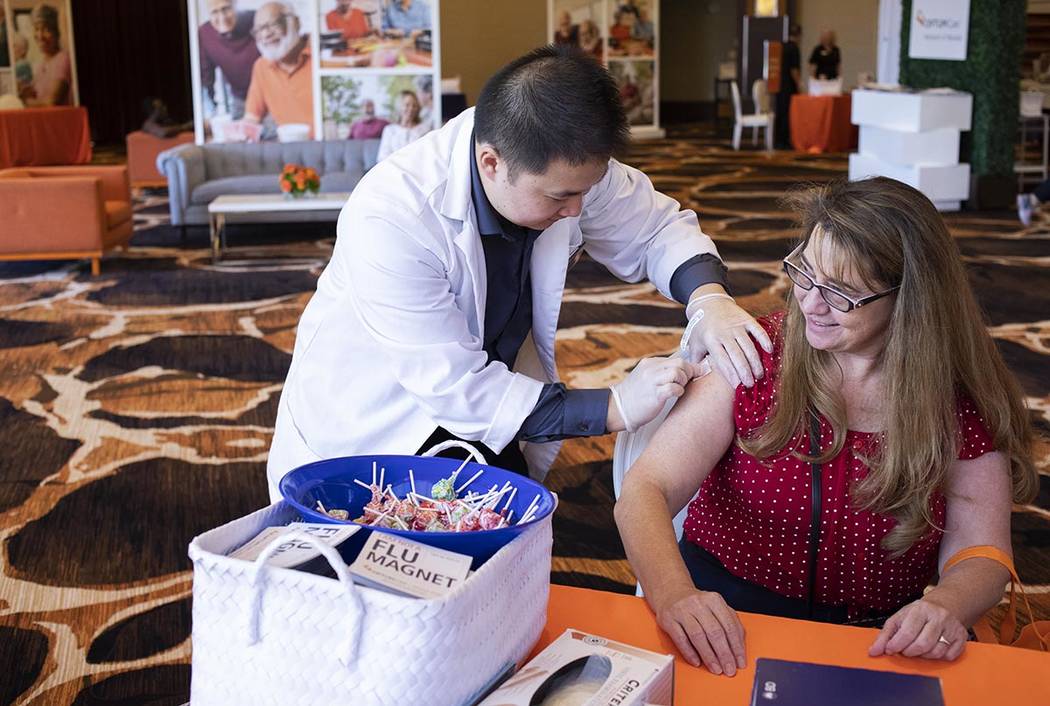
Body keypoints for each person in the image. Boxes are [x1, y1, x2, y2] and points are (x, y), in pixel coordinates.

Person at [266, 45, 771, 500]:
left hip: (491, 391)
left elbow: (656, 228)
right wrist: (614, 405)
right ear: (490, 163)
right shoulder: (393, 214)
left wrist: (710, 301)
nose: (576, 210)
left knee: (502, 536)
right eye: (559, 197)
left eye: (584, 192)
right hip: (377, 417)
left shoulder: (561, 163)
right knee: (403, 558)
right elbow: (456, 389)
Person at [615, 176, 1038, 676]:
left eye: (840, 293)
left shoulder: (957, 398)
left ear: (909, 300)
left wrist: (947, 604)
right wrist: (675, 596)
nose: (809, 304)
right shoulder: (757, 355)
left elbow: (981, 550)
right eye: (805, 273)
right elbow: (646, 489)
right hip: (724, 613)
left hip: (877, 637)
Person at [243, 2, 314, 137]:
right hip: (290, 152)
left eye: (274, 24)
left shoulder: (321, 56)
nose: (266, 34)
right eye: (259, 30)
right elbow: (251, 119)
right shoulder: (261, 67)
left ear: (296, 23)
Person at [198, 0, 260, 120]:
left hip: (268, 96)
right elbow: (206, 77)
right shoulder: (204, 33)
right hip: (240, 100)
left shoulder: (255, 19)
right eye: (214, 12)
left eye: (226, 9)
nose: (222, 18)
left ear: (236, 6)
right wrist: (209, 113)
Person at [19, 3, 71, 107]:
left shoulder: (63, 59)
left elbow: (52, 102)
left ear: (57, 33)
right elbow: (35, 94)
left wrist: (23, 102)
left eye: (46, 30)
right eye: (37, 29)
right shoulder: (42, 63)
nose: (40, 36)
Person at [376, 89, 430, 161]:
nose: (411, 109)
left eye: (414, 105)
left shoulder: (424, 129)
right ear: (399, 106)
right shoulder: (390, 130)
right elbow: (382, 157)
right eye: (407, 105)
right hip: (393, 169)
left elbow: (427, 155)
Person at [775, 24, 802, 149]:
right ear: (799, 36)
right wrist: (799, 84)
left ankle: (777, 139)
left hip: (779, 83)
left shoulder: (782, 46)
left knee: (780, 111)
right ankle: (785, 141)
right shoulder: (794, 48)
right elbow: (794, 70)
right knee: (787, 113)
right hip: (788, 85)